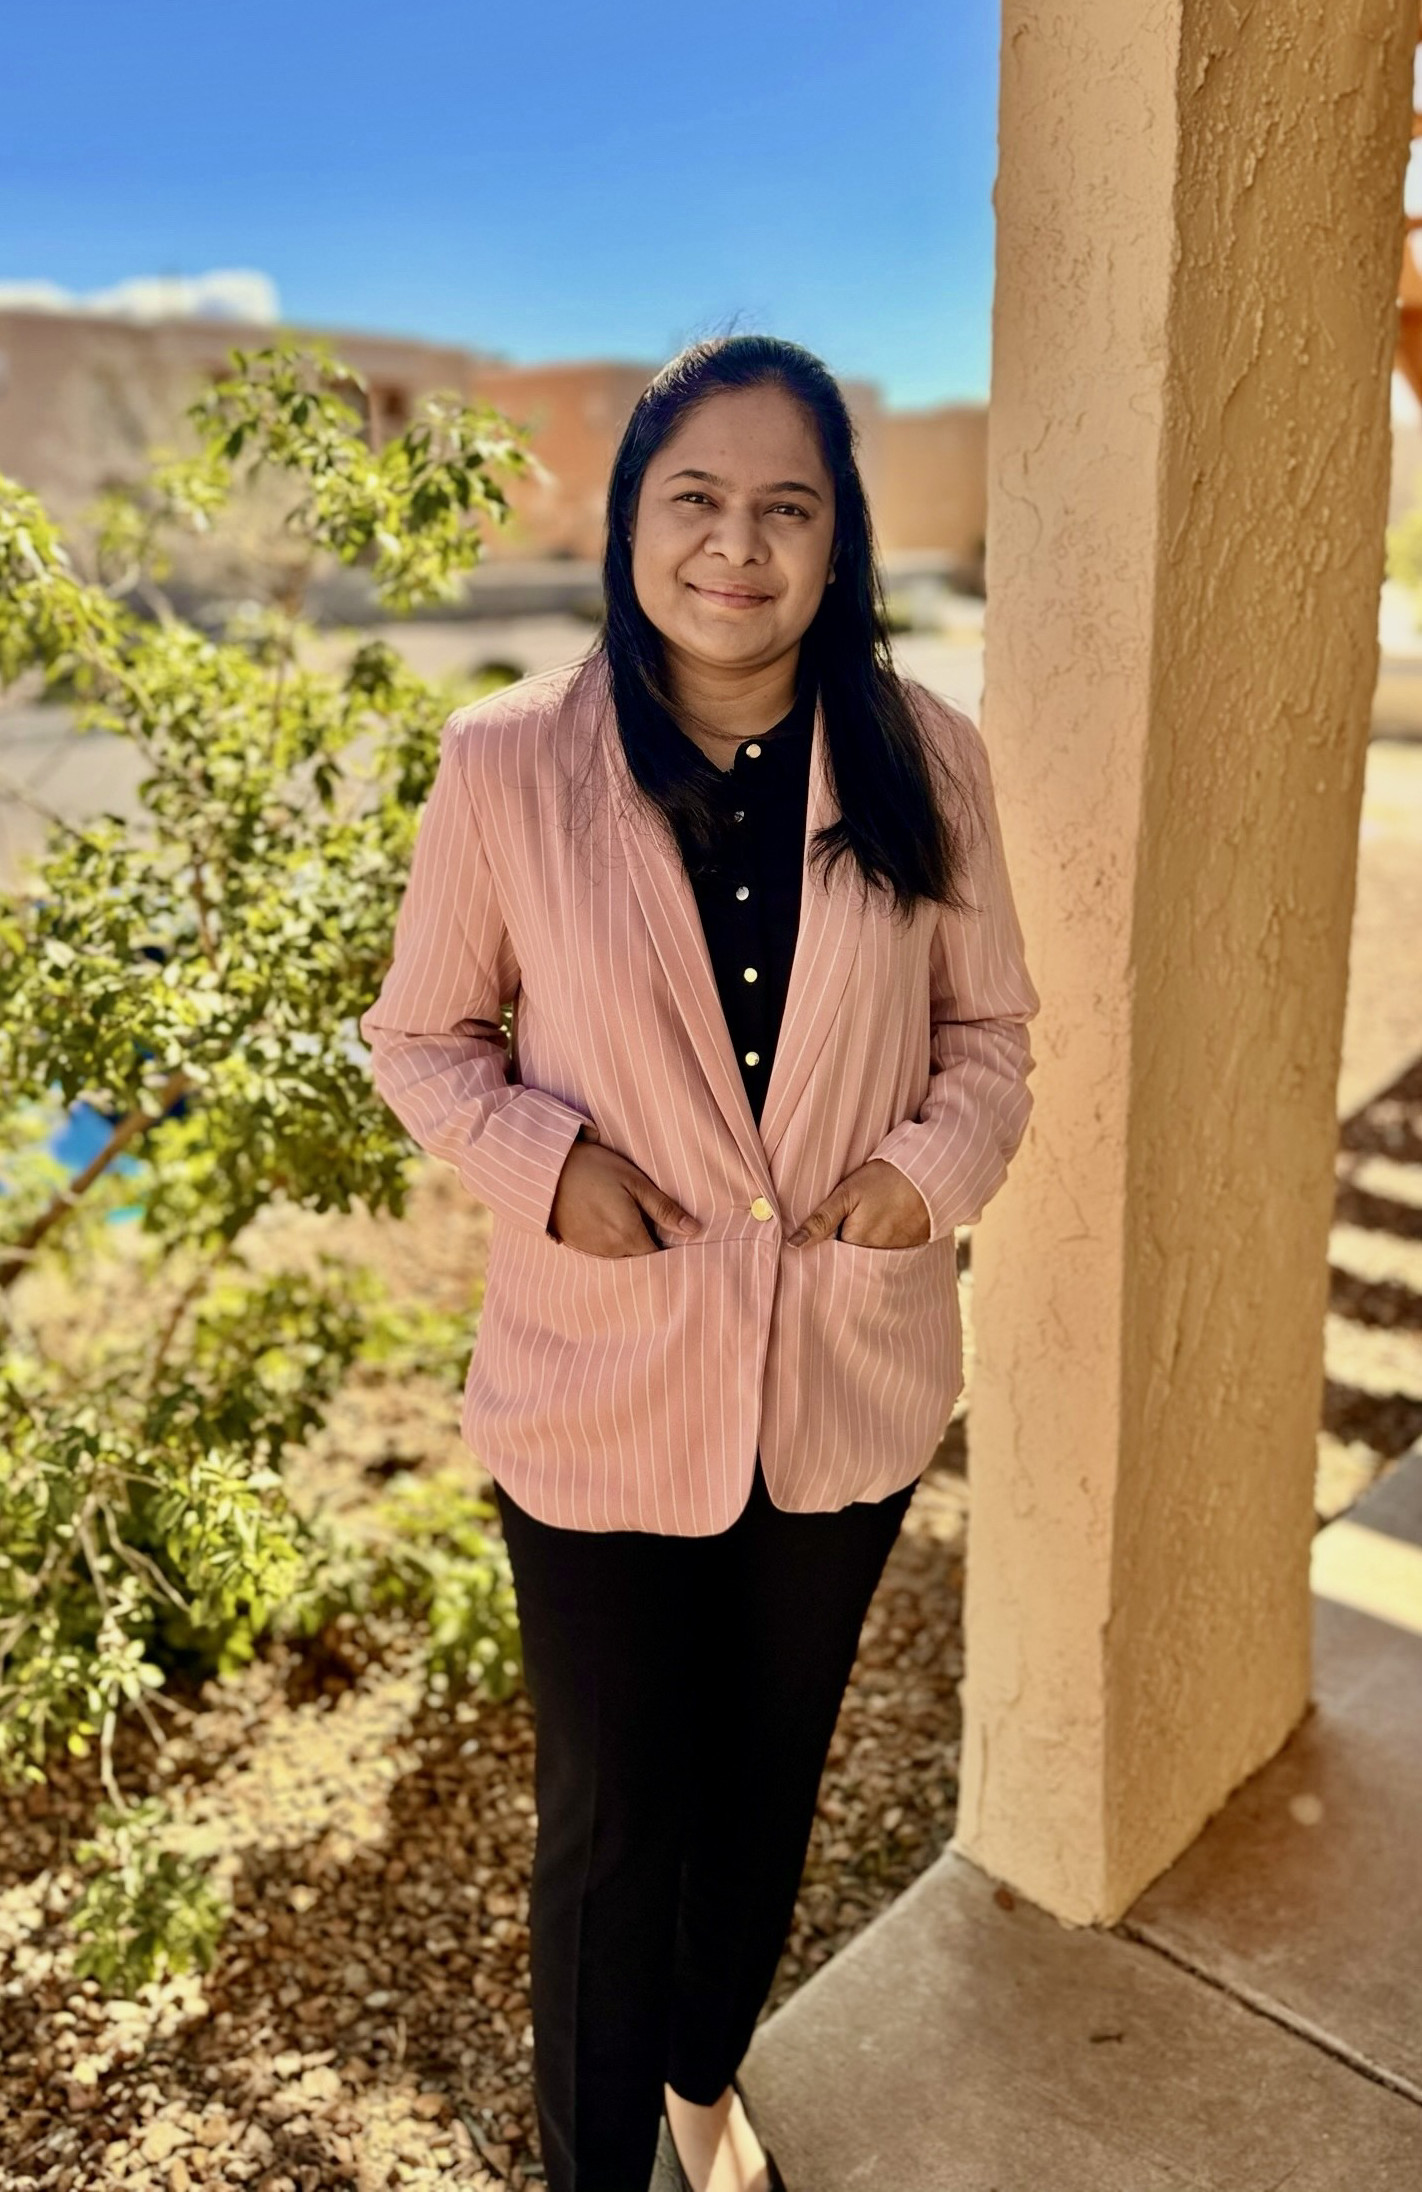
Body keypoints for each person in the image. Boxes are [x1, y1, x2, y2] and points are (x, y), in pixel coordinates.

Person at [359, 334, 1039, 2192]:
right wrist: (549, 1166)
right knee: (607, 1829)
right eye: (696, 501)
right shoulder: (509, 761)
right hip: (599, 1393)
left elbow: (988, 1040)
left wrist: (924, 1174)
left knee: (763, 1787)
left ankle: (701, 2091)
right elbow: (420, 1040)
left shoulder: (926, 757)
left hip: (845, 1378)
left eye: (784, 508)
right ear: (631, 523)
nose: (736, 547)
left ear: (837, 542)